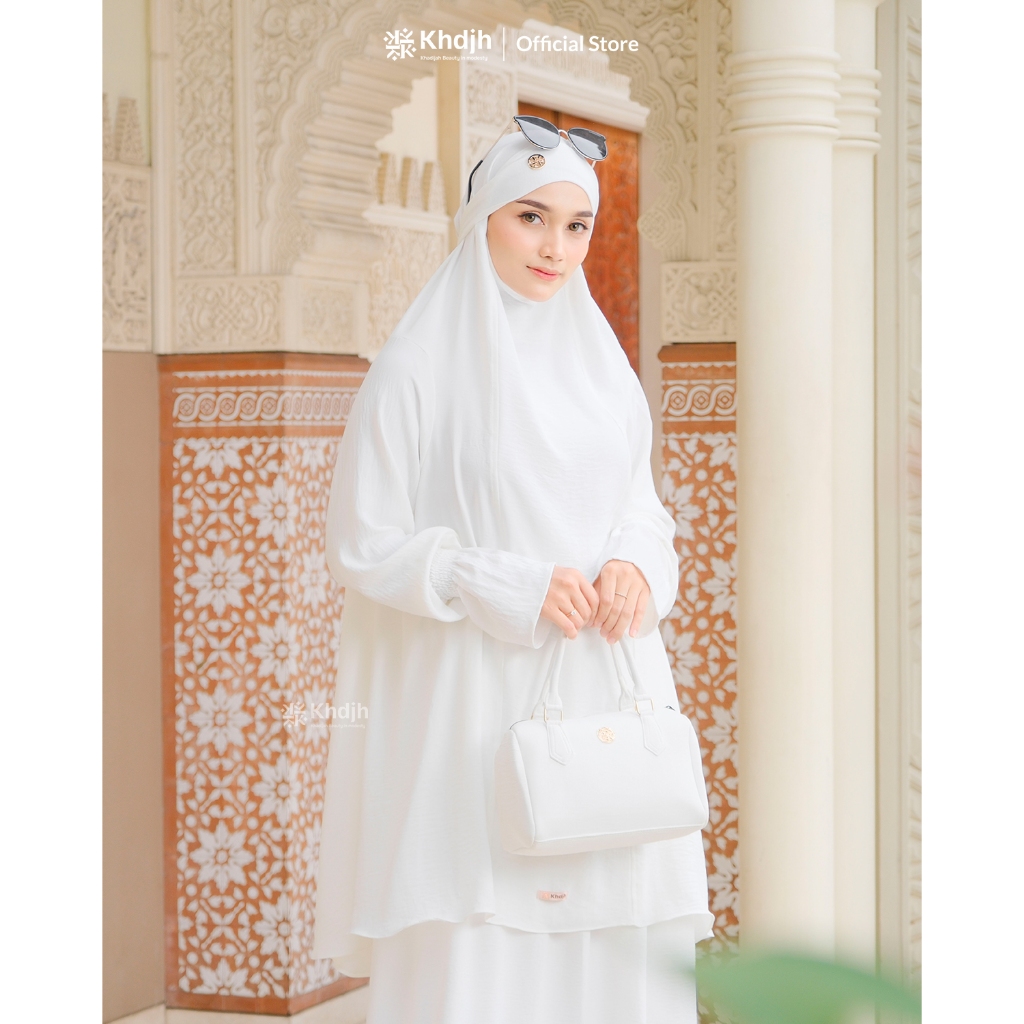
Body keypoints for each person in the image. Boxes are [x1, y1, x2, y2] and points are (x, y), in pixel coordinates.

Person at [311, 122, 712, 1023]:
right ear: (483, 216)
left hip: (606, 696)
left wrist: (636, 563)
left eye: (577, 225)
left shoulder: (607, 375)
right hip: (472, 705)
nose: (555, 248)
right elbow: (364, 541)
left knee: (613, 924)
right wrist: (502, 582)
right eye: (532, 217)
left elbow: (641, 507)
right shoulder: (415, 370)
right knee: (480, 927)